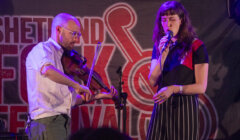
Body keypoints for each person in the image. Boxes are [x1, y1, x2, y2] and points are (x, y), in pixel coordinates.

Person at [25, 13, 118, 140]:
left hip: (60, 122)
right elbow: (48, 70)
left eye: (78, 35)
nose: (76, 39)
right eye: (73, 34)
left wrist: (102, 95)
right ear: (59, 29)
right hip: (47, 121)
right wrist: (76, 85)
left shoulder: (63, 58)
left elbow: (69, 101)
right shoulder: (43, 49)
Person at [147, 1, 209, 140]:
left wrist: (175, 88)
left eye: (172, 19)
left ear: (181, 20)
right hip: (162, 106)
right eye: (164, 20)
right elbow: (152, 81)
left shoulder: (195, 45)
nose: (167, 24)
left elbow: (201, 86)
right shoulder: (159, 46)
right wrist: (162, 55)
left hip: (184, 107)